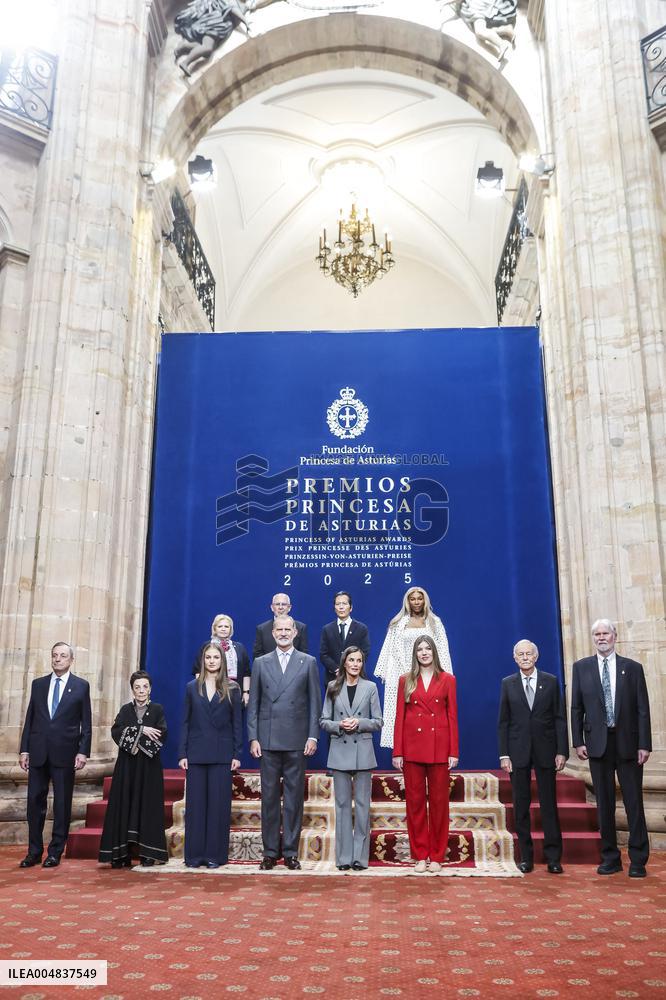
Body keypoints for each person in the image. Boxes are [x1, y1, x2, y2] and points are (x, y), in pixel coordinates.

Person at [571, 619, 652, 878]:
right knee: (603, 804)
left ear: (615, 637)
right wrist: (578, 741)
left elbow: (642, 709)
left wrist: (645, 744)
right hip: (597, 745)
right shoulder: (581, 668)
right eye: (597, 634)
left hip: (628, 744)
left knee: (633, 803)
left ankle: (638, 859)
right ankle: (610, 858)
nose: (601, 637)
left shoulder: (633, 668)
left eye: (606, 633)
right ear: (593, 638)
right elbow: (576, 708)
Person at [247, 615, 321, 869]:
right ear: (273, 632)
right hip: (267, 739)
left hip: (297, 739)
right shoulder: (260, 662)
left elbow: (315, 703)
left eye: (287, 629)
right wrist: (253, 736)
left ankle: (290, 851)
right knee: (268, 798)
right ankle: (269, 852)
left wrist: (313, 735)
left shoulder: (308, 662)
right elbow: (254, 704)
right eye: (278, 629)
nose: (282, 633)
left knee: (293, 799)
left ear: (295, 632)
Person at [18, 642, 92, 869]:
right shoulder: (38, 685)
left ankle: (55, 851)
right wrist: (24, 749)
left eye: (62, 656)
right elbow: (30, 718)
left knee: (61, 804)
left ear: (71, 660)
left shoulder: (81, 686)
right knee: (34, 803)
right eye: (55, 655)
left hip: (65, 753)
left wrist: (83, 751)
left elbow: (86, 723)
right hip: (38, 752)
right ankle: (34, 851)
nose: (58, 659)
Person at [497, 639, 568, 874]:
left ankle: (553, 858)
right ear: (515, 658)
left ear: (536, 657)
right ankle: (526, 857)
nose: (525, 657)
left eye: (529, 653)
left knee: (549, 805)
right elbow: (504, 722)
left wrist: (561, 751)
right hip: (518, 753)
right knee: (521, 806)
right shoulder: (508, 683)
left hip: (546, 751)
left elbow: (559, 718)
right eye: (520, 654)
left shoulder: (550, 681)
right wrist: (504, 754)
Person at [392, 635, 458, 873]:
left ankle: (437, 856)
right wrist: (397, 751)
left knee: (440, 805)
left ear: (434, 651)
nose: (423, 652)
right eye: (419, 649)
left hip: (439, 748)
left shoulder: (448, 680)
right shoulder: (405, 680)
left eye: (427, 648)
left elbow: (452, 717)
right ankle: (420, 855)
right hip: (412, 748)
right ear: (415, 654)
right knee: (415, 804)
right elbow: (399, 717)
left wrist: (454, 751)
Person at [178, 643, 242, 868]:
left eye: (216, 657)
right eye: (208, 657)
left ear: (222, 661)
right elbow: (185, 721)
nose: (212, 661)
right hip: (196, 753)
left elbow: (237, 724)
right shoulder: (191, 687)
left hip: (222, 754)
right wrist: (182, 752)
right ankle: (194, 856)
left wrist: (237, 753)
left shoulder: (232, 688)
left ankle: (216, 856)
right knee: (196, 807)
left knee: (218, 807)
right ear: (203, 660)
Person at [320, 645, 382, 871]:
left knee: (363, 805)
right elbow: (324, 720)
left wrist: (359, 723)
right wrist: (339, 725)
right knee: (343, 805)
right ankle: (344, 858)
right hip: (340, 752)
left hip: (363, 753)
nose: (355, 664)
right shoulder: (332, 687)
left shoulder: (371, 687)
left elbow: (378, 721)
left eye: (359, 661)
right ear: (344, 662)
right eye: (351, 660)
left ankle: (360, 858)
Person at [98, 671, 168, 869]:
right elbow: (116, 732)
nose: (141, 691)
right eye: (137, 687)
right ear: (132, 690)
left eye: (145, 686)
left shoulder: (157, 709)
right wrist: (141, 730)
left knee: (148, 807)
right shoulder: (125, 710)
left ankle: (148, 853)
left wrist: (135, 733)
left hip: (149, 767)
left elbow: (161, 734)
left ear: (150, 689)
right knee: (124, 807)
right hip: (127, 768)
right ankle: (121, 854)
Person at [375, 586, 453, 748]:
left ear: (425, 601)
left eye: (419, 598)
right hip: (403, 674)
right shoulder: (398, 623)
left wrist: (444, 676)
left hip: (430, 675)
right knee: (405, 716)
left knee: (429, 715)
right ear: (407, 602)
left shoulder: (434, 622)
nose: (416, 602)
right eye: (412, 599)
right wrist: (406, 673)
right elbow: (392, 650)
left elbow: (443, 650)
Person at [192, 614, 251, 706]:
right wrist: (200, 692)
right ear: (214, 628)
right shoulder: (206, 646)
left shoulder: (240, 647)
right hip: (212, 691)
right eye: (220, 626)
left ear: (230, 629)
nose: (223, 629)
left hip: (235, 692)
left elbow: (246, 673)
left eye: (226, 626)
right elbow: (198, 671)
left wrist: (246, 692)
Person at [319, 591, 370, 684]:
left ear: (351, 607)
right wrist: (337, 669)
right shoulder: (327, 629)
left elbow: (365, 652)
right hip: (333, 679)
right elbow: (323, 654)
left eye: (344, 604)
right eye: (338, 604)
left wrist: (349, 668)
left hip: (355, 678)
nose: (341, 607)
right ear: (334, 608)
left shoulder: (361, 628)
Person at [253, 593, 308, 658]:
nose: (280, 607)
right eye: (277, 604)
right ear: (272, 607)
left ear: (289, 607)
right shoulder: (262, 629)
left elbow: (303, 656)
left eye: (284, 604)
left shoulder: (301, 627)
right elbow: (257, 654)